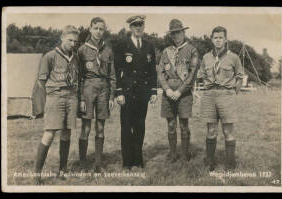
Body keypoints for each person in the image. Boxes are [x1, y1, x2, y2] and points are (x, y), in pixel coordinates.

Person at [33, 25, 80, 185]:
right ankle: (37, 174)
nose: (73, 44)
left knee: (66, 134)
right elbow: (41, 81)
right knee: (49, 133)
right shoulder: (50, 56)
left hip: (72, 97)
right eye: (70, 40)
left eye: (75, 41)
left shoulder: (75, 57)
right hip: (55, 96)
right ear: (62, 37)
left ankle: (62, 170)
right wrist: (52, 96)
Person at [114, 15, 157, 169]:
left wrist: (153, 91)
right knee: (126, 127)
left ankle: (138, 160)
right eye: (135, 25)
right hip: (126, 93)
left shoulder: (148, 46)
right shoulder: (122, 45)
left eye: (140, 25)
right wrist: (118, 92)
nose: (138, 28)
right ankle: (127, 162)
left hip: (143, 93)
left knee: (140, 126)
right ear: (130, 28)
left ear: (143, 26)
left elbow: (152, 71)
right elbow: (116, 70)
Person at [198, 26, 243, 171]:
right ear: (211, 39)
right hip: (209, 96)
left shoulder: (234, 57)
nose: (218, 40)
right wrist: (206, 87)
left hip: (226, 96)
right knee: (211, 130)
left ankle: (230, 164)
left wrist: (231, 93)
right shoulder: (206, 57)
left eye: (221, 37)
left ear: (225, 39)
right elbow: (202, 75)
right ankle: (210, 161)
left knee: (228, 131)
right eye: (215, 38)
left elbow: (239, 77)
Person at [156, 19, 199, 162]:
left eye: (178, 33)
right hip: (168, 93)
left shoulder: (192, 50)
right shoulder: (166, 51)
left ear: (184, 32)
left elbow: (192, 74)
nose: (175, 36)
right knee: (171, 124)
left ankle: (185, 154)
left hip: (184, 93)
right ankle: (173, 153)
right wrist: (167, 89)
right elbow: (160, 72)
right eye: (173, 34)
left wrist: (179, 91)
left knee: (183, 124)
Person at [77, 17, 115, 172]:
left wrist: (111, 96)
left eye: (102, 29)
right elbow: (78, 76)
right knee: (86, 127)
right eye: (96, 28)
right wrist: (80, 98)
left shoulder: (108, 50)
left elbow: (112, 75)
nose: (99, 32)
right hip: (87, 88)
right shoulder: (82, 50)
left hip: (103, 89)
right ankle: (82, 162)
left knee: (100, 126)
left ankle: (98, 164)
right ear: (90, 29)